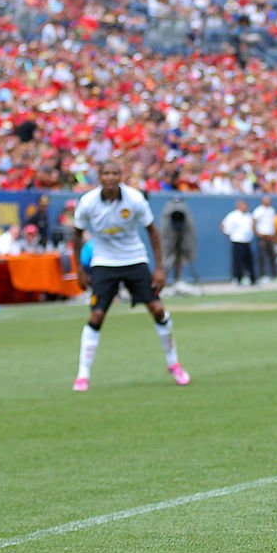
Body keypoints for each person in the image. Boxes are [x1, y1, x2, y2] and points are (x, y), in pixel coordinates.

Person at [70, 161, 190, 391]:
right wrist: (79, 270)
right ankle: (83, 374)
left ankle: (174, 363)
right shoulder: (87, 202)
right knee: (96, 316)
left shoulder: (134, 199)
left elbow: (152, 232)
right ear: (100, 177)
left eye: (115, 173)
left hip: (134, 259)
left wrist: (159, 269)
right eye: (106, 173)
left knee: (157, 309)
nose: (110, 177)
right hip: (104, 261)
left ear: (120, 176)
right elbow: (76, 236)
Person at [160, 195, 201, 294]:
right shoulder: (168, 211)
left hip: (182, 239)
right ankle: (162, 283)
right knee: (167, 260)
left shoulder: (184, 211)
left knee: (180, 260)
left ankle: (177, 281)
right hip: (170, 239)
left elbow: (185, 225)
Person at [220, 199, 256, 286]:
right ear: (238, 206)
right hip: (237, 241)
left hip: (247, 241)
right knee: (238, 262)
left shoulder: (248, 215)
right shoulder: (233, 215)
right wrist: (229, 235)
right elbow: (223, 225)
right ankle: (239, 279)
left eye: (246, 205)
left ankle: (252, 279)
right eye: (243, 205)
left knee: (249, 261)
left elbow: (252, 227)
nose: (245, 207)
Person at [253, 195, 277, 282]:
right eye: (266, 200)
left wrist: (274, 234)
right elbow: (254, 222)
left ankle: (275, 275)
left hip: (270, 237)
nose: (268, 201)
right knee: (262, 257)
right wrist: (257, 234)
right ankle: (262, 276)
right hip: (262, 237)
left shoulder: (272, 210)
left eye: (269, 200)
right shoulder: (259, 210)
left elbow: (273, 223)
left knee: (272, 256)